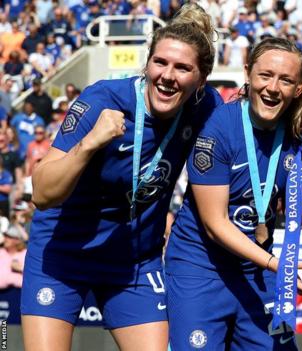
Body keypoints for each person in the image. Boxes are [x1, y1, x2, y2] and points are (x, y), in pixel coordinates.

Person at [20, 4, 222, 350]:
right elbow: (42, 193)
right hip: (64, 252)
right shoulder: (103, 101)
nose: (168, 76)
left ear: (201, 80)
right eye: (160, 62)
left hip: (134, 263)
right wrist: (89, 145)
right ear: (147, 64)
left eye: (182, 68)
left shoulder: (206, 107)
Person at [165, 37, 302, 350]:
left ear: (298, 88)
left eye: (285, 80)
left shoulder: (297, 134)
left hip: (256, 271)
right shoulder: (219, 127)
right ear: (248, 73)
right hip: (201, 270)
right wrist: (278, 264)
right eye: (265, 75)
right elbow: (215, 224)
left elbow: (296, 215)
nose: (273, 88)